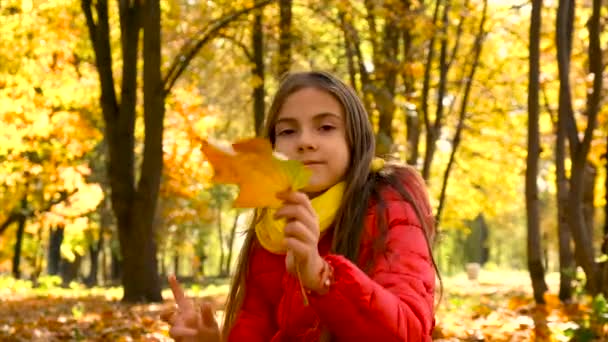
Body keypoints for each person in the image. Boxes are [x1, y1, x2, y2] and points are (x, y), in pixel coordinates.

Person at [162, 71, 439, 341]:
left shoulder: (389, 203)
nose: (305, 142)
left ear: (354, 140)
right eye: (288, 131)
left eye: (326, 127)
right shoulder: (272, 228)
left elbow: (410, 330)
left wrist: (322, 277)